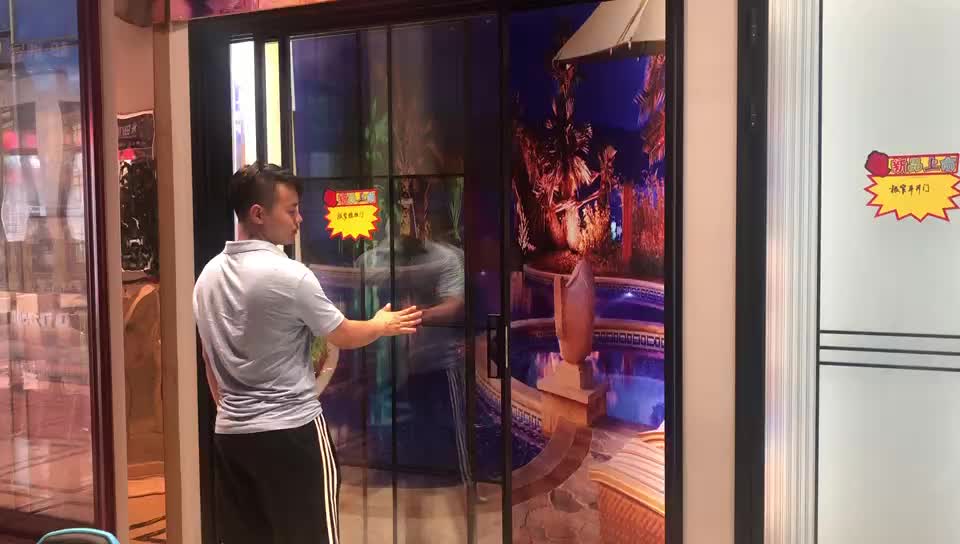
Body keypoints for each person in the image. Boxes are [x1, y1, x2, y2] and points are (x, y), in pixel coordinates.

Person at [192, 162, 422, 544]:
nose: (299, 219)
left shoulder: (207, 278)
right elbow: (343, 334)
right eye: (292, 210)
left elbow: (208, 363)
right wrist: (381, 324)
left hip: (231, 438)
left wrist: (236, 413)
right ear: (259, 214)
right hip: (292, 437)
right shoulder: (290, 276)